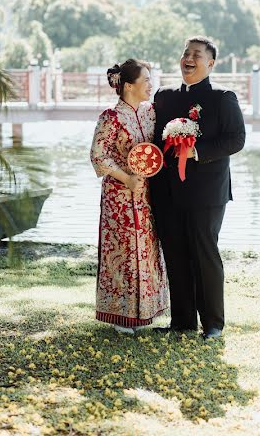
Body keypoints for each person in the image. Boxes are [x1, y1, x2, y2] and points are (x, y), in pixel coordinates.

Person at [150, 37, 246, 339]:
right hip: (167, 191)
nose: (188, 59)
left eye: (196, 54)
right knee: (175, 254)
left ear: (211, 63)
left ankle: (213, 324)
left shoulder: (223, 98)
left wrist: (195, 151)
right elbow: (154, 138)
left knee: (204, 254)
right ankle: (182, 322)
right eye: (185, 53)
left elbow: (236, 140)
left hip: (207, 193)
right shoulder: (163, 96)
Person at [90, 59, 169, 334]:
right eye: (146, 80)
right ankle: (120, 315)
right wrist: (126, 178)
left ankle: (147, 312)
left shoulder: (151, 112)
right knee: (123, 250)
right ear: (128, 86)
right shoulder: (110, 117)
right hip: (119, 196)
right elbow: (98, 155)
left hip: (147, 194)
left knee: (146, 248)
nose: (151, 85)